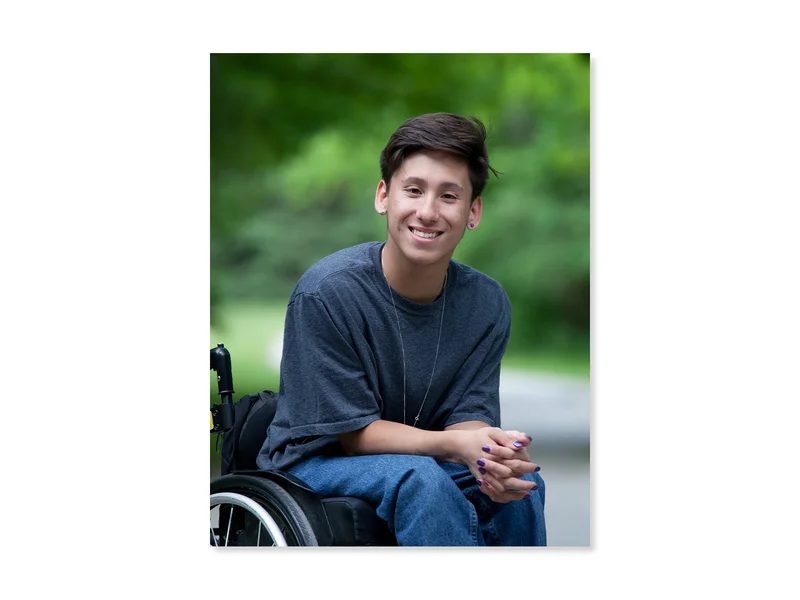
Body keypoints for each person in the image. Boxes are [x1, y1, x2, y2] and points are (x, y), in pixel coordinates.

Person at [256, 112, 546, 546]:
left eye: (449, 196)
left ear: (473, 211)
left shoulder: (485, 304)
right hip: (316, 460)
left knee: (521, 491)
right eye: (413, 190)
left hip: (419, 459)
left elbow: (466, 419)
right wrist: (453, 448)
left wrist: (494, 453)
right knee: (421, 481)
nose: (427, 212)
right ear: (383, 196)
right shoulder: (327, 292)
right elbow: (353, 437)